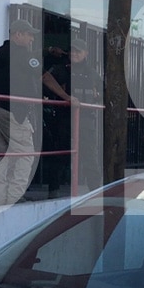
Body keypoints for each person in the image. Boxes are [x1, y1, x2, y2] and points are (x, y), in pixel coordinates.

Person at [0, 18, 43, 205]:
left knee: (0, 154)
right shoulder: (22, 55)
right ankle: (15, 196)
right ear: (18, 34)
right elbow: (41, 73)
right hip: (14, 111)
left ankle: (0, 197)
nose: (31, 39)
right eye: (29, 35)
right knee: (26, 154)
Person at [42, 39, 93, 198]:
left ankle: (96, 190)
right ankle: (53, 190)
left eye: (78, 51)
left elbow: (100, 92)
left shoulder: (92, 72)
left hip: (85, 119)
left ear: (86, 53)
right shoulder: (60, 69)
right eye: (72, 51)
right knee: (59, 153)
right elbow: (44, 84)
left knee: (90, 155)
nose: (74, 54)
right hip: (63, 118)